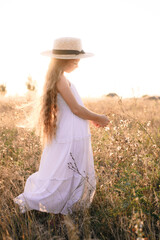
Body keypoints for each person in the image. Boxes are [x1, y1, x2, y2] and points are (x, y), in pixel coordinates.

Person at [13, 37, 109, 215]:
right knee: (64, 169)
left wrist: (90, 119)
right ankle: (52, 203)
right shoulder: (60, 79)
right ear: (65, 60)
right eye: (75, 61)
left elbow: (73, 109)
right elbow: (75, 109)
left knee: (70, 169)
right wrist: (99, 117)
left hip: (73, 132)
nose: (77, 65)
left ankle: (71, 204)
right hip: (70, 134)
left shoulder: (61, 78)